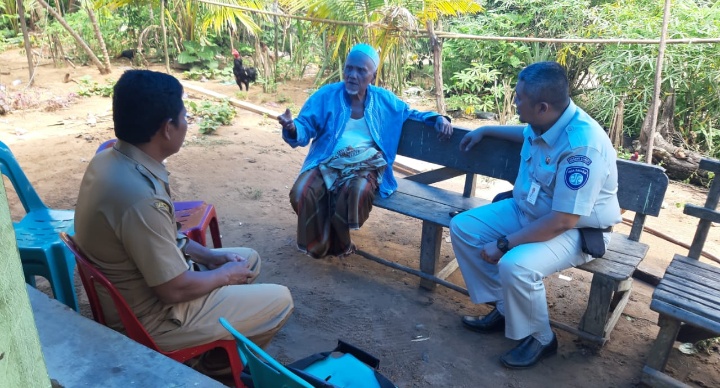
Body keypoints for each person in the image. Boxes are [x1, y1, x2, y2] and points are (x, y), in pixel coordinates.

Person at [74, 70, 294, 376]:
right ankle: (215, 370)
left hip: (140, 288)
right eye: (184, 117)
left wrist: (213, 257)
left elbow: (167, 238)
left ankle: (215, 348)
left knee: (247, 260)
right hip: (153, 319)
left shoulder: (110, 159)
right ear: (167, 129)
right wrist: (224, 276)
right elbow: (173, 291)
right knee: (280, 300)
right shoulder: (140, 198)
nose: (187, 124)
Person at [449, 62, 621, 369]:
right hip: (528, 211)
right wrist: (486, 129)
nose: (515, 102)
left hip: (576, 230)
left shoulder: (583, 147)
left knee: (516, 265)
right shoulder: (545, 122)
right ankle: (506, 308)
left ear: (542, 107)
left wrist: (504, 244)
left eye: (518, 98)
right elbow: (525, 134)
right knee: (464, 228)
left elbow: (563, 221)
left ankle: (542, 338)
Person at [277, 43, 453, 259]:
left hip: (366, 164)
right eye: (349, 68)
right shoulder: (327, 96)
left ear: (373, 75)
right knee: (301, 192)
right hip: (329, 161)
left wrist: (438, 118)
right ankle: (324, 242)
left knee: (357, 193)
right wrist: (293, 127)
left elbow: (410, 113)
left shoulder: (383, 100)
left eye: (361, 70)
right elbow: (305, 125)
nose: (352, 75)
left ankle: (335, 238)